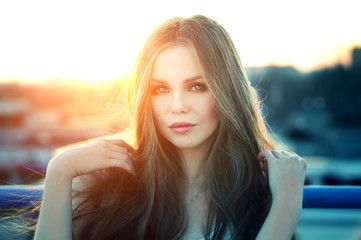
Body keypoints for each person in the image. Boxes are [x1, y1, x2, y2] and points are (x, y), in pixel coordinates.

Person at [34, 15, 306, 240]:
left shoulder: (262, 191)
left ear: (227, 92)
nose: (177, 106)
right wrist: (60, 172)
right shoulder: (104, 183)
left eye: (197, 86)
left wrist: (285, 205)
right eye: (161, 89)